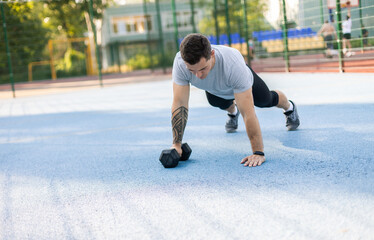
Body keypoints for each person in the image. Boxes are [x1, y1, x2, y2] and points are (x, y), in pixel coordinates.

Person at [169, 33, 300, 168]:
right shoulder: (180, 63)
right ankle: (232, 111)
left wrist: (258, 152)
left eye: (203, 68)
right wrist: (176, 144)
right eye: (192, 71)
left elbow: (248, 113)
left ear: (212, 54)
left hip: (239, 83)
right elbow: (180, 103)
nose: (198, 75)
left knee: (265, 100)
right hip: (216, 90)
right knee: (216, 102)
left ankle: (289, 107)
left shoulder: (232, 64)